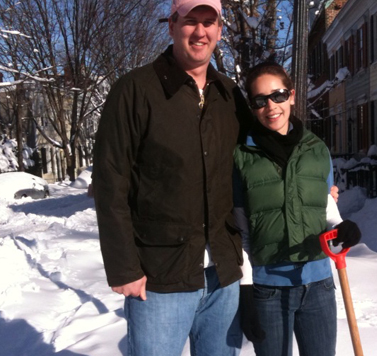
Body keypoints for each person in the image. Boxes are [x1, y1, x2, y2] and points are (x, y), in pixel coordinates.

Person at [92, 0, 252, 355]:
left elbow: (259, 157)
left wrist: (315, 180)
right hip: (159, 277)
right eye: (190, 21)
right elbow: (110, 183)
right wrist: (124, 268)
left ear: (220, 31)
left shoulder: (228, 94)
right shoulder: (134, 91)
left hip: (222, 273)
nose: (200, 31)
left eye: (209, 22)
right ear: (171, 26)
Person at [233, 62, 362, 356]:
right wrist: (247, 290)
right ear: (252, 107)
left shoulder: (317, 149)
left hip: (318, 284)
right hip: (267, 289)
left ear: (291, 95)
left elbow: (326, 207)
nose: (271, 106)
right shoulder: (241, 157)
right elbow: (240, 230)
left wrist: (342, 228)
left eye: (277, 95)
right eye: (259, 100)